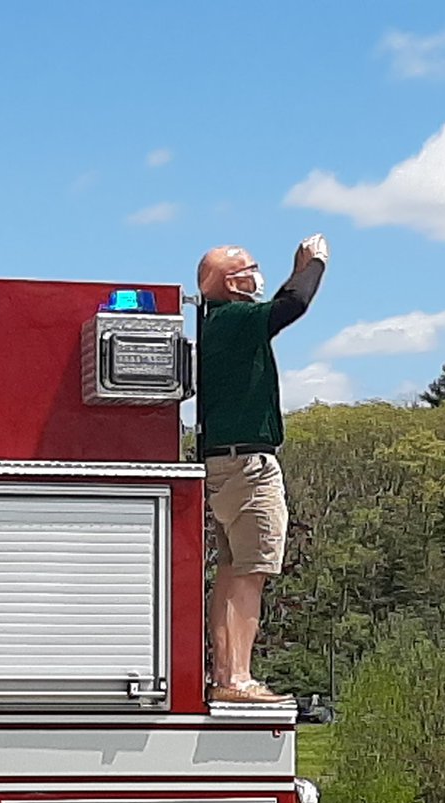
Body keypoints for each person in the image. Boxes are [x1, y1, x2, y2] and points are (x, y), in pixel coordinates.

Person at [197, 234, 329, 703]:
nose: (258, 276)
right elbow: (291, 305)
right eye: (250, 269)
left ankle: (226, 674)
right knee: (252, 570)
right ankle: (237, 677)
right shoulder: (234, 320)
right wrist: (312, 264)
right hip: (248, 466)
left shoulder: (216, 326)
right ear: (232, 284)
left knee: (232, 570)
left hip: (221, 464)